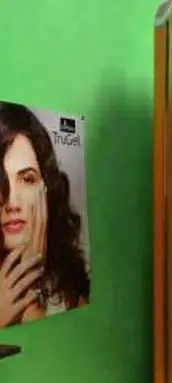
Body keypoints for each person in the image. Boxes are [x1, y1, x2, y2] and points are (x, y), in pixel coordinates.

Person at [0, 102, 90, 328]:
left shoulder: (70, 286)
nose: (13, 202)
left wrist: (29, 301)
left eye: (27, 179)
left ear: (46, 189)